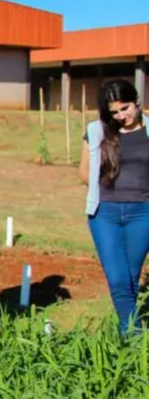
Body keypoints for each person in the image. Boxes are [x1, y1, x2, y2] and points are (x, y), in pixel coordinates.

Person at [80, 79, 149, 334]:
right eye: (114, 112)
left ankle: (126, 336)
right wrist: (102, 188)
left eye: (125, 108)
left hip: (143, 212)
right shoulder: (96, 130)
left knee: (130, 277)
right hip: (105, 213)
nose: (121, 116)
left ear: (137, 101)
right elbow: (84, 170)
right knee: (118, 278)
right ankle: (133, 336)